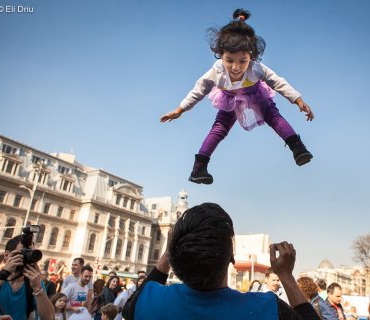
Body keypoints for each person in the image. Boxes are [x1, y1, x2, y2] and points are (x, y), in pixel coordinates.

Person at [160, 9, 314, 185]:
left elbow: (278, 82)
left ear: (251, 56)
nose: (235, 67)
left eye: (242, 60)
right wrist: (180, 109)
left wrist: (298, 100)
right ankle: (199, 168)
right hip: (230, 100)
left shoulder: (256, 68)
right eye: (229, 60)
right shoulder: (216, 72)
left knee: (272, 115)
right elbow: (198, 90)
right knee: (219, 128)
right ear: (221, 55)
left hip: (255, 95)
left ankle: (297, 147)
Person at [122, 202, 320, 320]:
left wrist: (168, 254)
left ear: (174, 257)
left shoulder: (149, 302)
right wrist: (286, 276)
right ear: (232, 257)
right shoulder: (266, 309)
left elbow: (134, 303)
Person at [0, 235, 54, 320]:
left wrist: (38, 289)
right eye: (24, 252)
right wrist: (4, 273)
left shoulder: (34, 283)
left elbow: (49, 318)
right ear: (7, 255)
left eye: (30, 253)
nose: (27, 258)